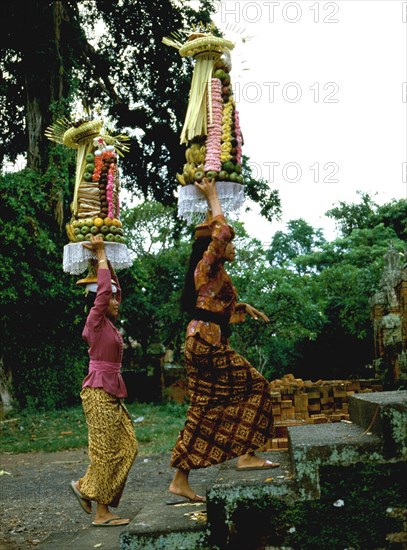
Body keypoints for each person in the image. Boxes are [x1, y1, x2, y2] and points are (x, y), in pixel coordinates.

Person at [169, 178, 278, 503]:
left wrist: (242, 307)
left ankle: (180, 479)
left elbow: (214, 307)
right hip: (207, 344)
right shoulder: (208, 263)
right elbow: (222, 232)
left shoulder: (215, 275)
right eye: (229, 243)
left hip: (200, 342)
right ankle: (246, 454)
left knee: (203, 406)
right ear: (214, 247)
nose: (233, 245)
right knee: (256, 386)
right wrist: (214, 196)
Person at [70, 234, 138, 527]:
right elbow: (103, 295)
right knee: (106, 451)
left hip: (111, 392)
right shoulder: (94, 321)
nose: (116, 302)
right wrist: (98, 255)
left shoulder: (108, 322)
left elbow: (114, 291)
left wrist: (106, 257)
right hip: (97, 392)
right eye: (110, 298)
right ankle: (101, 512)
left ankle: (86, 487)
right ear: (99, 300)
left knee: (128, 447)